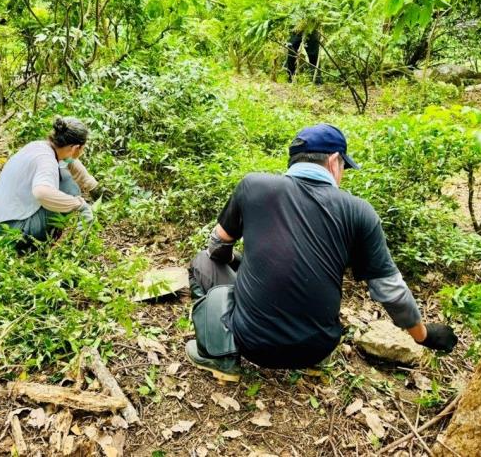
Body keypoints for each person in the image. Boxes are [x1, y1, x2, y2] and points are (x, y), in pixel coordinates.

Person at [186, 124, 458, 382]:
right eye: (343, 167)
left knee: (202, 262)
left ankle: (221, 356)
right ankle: (314, 367)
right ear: (334, 161)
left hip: (252, 344)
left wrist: (238, 262)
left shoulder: (254, 186)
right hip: (318, 348)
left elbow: (217, 246)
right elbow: (391, 290)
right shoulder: (359, 210)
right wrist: (423, 336)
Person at [0, 116, 100, 248]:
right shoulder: (47, 161)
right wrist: (79, 205)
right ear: (75, 148)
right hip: (15, 233)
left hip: (4, 223)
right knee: (70, 188)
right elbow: (41, 193)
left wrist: (93, 186)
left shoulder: (40, 147)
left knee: (64, 177)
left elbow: (69, 161)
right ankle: (40, 244)